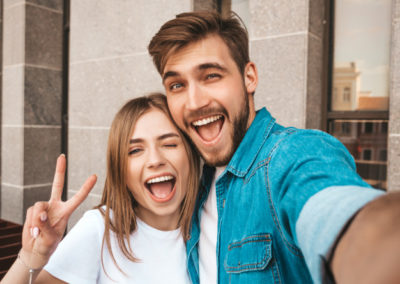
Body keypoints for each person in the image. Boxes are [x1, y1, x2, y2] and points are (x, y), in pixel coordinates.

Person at [148, 11, 400, 283]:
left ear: (249, 77)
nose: (194, 102)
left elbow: (336, 212)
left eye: (211, 76)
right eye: (176, 85)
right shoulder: (196, 186)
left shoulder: (293, 155)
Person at [1, 93, 200, 284]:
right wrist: (31, 257)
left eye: (170, 144)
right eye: (136, 150)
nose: (155, 160)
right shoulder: (101, 228)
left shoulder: (213, 224)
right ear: (120, 170)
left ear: (191, 155)